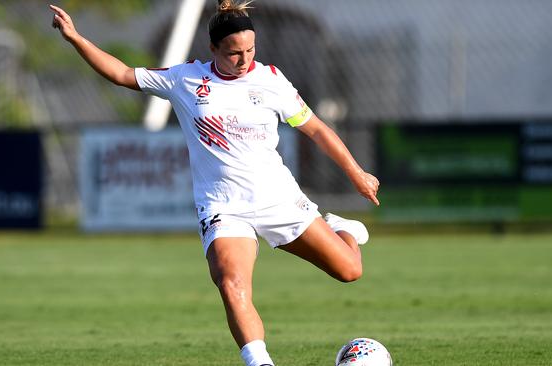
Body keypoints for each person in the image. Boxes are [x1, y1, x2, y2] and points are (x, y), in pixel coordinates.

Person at [50, 1, 380, 365]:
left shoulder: (271, 80)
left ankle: (342, 228)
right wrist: (76, 38)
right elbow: (122, 74)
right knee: (231, 283)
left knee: (350, 271)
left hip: (279, 200)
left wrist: (357, 173)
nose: (244, 60)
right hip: (224, 207)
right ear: (213, 49)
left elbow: (316, 128)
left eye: (250, 50)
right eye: (234, 52)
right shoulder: (186, 79)